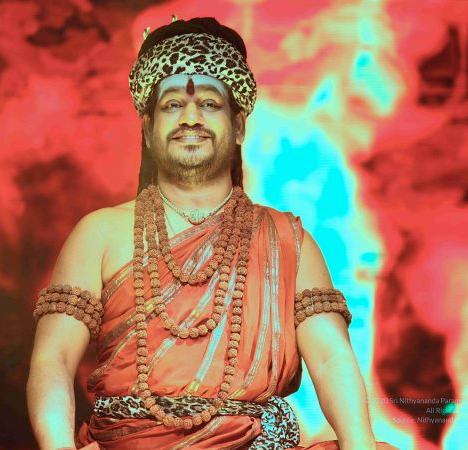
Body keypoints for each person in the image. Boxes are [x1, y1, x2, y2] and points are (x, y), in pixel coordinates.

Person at [27, 16, 397, 450]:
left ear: (239, 127)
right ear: (147, 129)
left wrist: (361, 445)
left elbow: (332, 358)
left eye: (208, 102)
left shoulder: (287, 240)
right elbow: (53, 358)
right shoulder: (100, 234)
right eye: (171, 105)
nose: (190, 118)